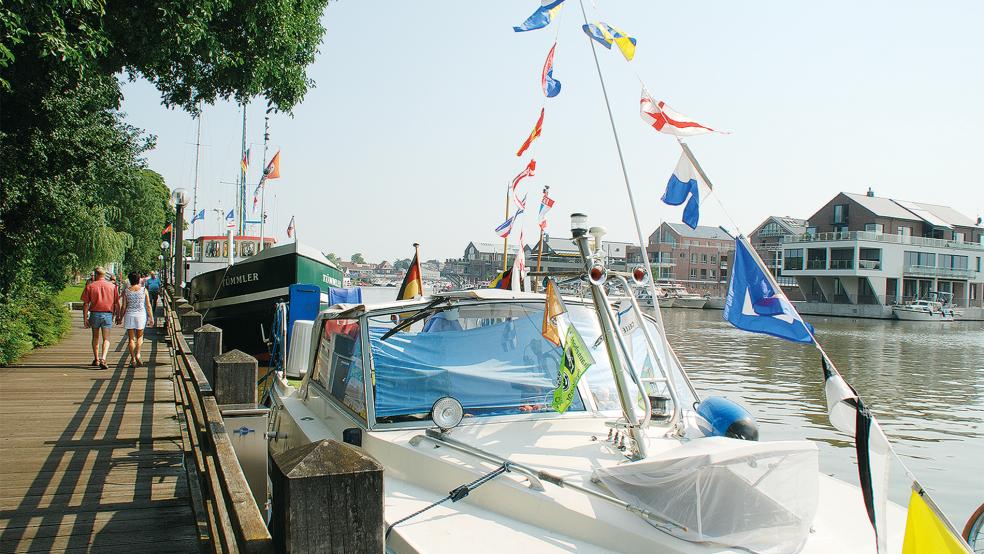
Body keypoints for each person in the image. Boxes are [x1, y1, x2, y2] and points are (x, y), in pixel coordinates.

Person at [81, 266, 119, 369]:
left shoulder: (90, 286)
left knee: (95, 337)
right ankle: (103, 358)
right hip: (107, 314)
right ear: (104, 275)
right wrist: (118, 315)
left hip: (94, 314)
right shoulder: (112, 287)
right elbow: (116, 303)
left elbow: (85, 304)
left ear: (96, 274)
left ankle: (96, 359)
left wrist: (85, 319)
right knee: (106, 338)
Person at [120, 271, 155, 367]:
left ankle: (132, 359)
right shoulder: (144, 290)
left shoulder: (126, 291)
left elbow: (123, 306)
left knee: (131, 339)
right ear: (138, 280)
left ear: (130, 280)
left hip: (129, 315)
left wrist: (120, 317)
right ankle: (138, 354)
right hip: (141, 315)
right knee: (140, 337)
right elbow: (148, 305)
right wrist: (151, 317)